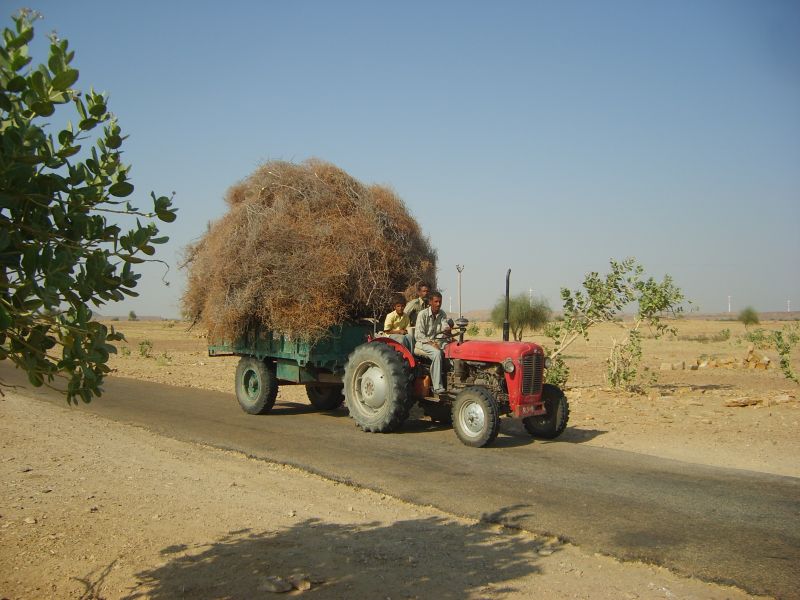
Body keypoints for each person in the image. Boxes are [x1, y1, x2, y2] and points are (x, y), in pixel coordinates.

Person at [414, 291, 451, 396]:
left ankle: (452, 380)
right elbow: (419, 335)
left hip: (437, 342)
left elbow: (444, 325)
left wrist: (447, 329)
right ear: (430, 302)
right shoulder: (423, 314)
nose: (438, 304)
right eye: (436, 302)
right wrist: (431, 343)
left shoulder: (442, 314)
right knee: (437, 353)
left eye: (440, 302)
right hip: (423, 343)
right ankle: (437, 387)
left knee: (451, 350)